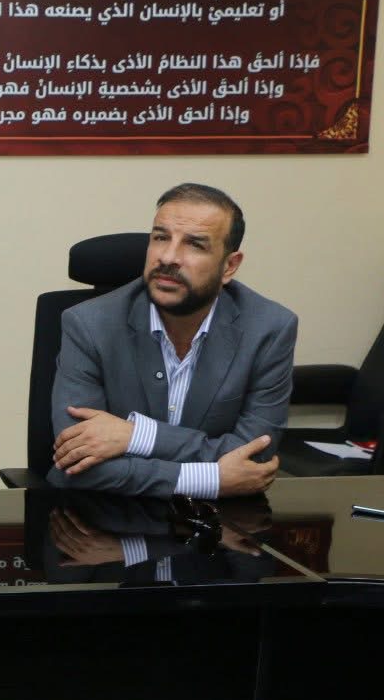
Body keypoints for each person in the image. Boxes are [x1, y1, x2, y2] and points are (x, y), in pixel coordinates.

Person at [49, 183, 298, 498]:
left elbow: (254, 458)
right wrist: (210, 479)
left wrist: (137, 436)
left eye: (195, 244)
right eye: (160, 238)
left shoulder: (269, 329)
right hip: (98, 516)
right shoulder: (88, 324)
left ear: (229, 266)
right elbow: (76, 461)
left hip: (217, 523)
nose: (168, 257)